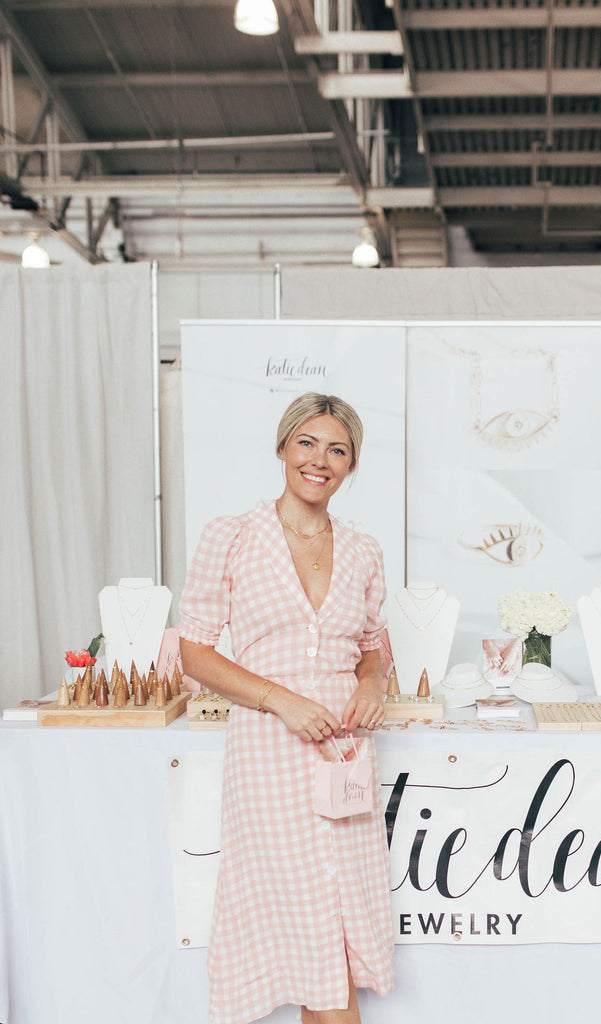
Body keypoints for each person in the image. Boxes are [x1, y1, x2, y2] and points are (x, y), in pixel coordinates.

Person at [179, 393, 393, 1024]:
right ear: (281, 448)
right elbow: (194, 652)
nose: (319, 460)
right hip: (269, 748)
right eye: (307, 442)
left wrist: (374, 685)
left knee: (335, 928)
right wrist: (282, 700)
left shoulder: (363, 549)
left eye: (337, 449)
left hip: (345, 750)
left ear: (351, 466)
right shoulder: (233, 535)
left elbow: (375, 647)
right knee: (301, 925)